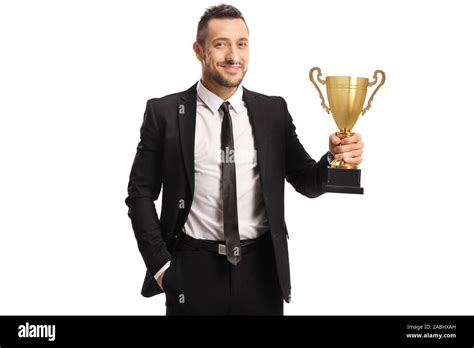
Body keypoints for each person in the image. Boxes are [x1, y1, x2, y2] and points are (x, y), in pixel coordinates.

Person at [125, 4, 364, 315]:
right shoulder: (166, 113)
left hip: (261, 273)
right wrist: (161, 267)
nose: (233, 56)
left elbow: (306, 180)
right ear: (199, 50)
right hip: (192, 270)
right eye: (220, 44)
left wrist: (335, 158)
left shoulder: (272, 111)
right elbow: (140, 195)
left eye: (241, 43)